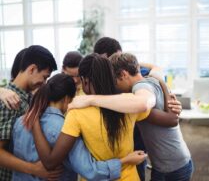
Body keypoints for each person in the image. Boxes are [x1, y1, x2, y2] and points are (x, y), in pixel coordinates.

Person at [31, 53, 149, 181]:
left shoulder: (77, 113)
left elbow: (50, 162)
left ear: (84, 80)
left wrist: (34, 120)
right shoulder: (129, 103)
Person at [110, 53, 193, 181]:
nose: (115, 86)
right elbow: (156, 68)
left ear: (124, 75)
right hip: (167, 164)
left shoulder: (139, 88)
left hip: (174, 168)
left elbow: (171, 120)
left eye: (115, 81)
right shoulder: (151, 78)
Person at [93, 36, 163, 181]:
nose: (109, 66)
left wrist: (169, 101)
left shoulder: (132, 74)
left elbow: (155, 69)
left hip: (135, 135)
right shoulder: (99, 75)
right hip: (110, 137)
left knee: (138, 169)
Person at [0, 45, 58, 181]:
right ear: (31, 69)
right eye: (44, 77)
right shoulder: (10, 101)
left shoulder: (28, 98)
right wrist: (34, 169)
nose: (44, 83)